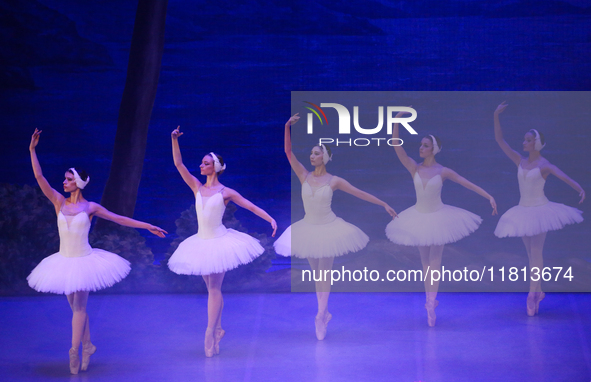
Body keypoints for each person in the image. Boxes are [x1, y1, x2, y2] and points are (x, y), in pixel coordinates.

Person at [26, 129, 167, 374]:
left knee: (79, 308)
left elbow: (119, 218)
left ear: (78, 183)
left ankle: (73, 352)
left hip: (84, 260)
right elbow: (39, 177)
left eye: (69, 179)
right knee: (75, 309)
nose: (64, 182)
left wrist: (147, 225)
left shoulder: (90, 207)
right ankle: (89, 345)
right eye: (65, 179)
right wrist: (32, 150)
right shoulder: (59, 201)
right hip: (63, 261)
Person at [274, 114, 397, 340]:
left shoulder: (334, 180)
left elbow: (359, 193)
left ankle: (321, 314)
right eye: (311, 153)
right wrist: (286, 127)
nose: (312, 156)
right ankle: (325, 312)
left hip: (329, 227)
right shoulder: (304, 175)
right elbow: (288, 153)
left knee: (325, 272)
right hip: (307, 228)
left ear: (326, 157)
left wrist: (384, 204)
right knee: (316, 272)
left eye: (317, 153)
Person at [167, 126, 277, 357]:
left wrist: (270, 218)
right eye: (201, 162)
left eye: (206, 163)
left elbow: (250, 205)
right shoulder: (196, 186)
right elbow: (179, 165)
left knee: (214, 289)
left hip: (219, 241)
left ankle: (209, 333)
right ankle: (217, 330)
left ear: (215, 167)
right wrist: (174, 139)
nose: (201, 165)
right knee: (211, 289)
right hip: (201, 241)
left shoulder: (226, 192)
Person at [386, 110, 497, 327]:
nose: (421, 147)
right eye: (420, 144)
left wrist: (488, 196)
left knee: (435, 261)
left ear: (434, 149)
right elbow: (396, 146)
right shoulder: (413, 167)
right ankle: (430, 301)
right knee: (424, 261)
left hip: (439, 217)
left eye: (425, 145)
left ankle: (430, 302)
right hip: (418, 216)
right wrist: (396, 122)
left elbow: (467, 183)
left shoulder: (443, 171)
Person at [493, 102, 584, 316]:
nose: (524, 143)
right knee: (530, 254)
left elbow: (564, 176)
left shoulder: (545, 165)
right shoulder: (520, 161)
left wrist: (579, 188)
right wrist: (496, 115)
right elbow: (500, 140)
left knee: (536, 253)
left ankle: (532, 294)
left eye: (528, 140)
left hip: (541, 210)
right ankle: (539, 290)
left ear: (537, 143)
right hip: (523, 211)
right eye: (524, 140)